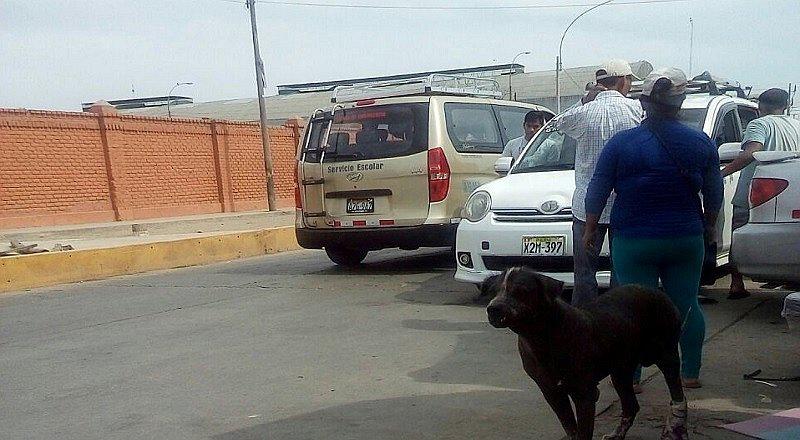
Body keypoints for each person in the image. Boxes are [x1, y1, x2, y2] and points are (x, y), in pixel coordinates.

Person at [584, 67, 724, 389]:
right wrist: (710, 227)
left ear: (644, 102)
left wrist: (591, 229)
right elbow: (714, 194)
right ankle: (689, 374)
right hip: (685, 237)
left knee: (633, 311)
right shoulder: (700, 142)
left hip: (633, 240)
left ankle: (631, 378)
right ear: (680, 102)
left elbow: (598, 189)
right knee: (686, 303)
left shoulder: (621, 144)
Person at [554, 59, 644, 305]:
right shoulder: (635, 110)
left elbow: (559, 123)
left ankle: (583, 320)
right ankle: (619, 318)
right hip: (623, 204)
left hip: (586, 207)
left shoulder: (583, 112)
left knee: (584, 273)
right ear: (623, 80)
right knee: (622, 270)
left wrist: (585, 99)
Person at [722, 88, 800, 299]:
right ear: (785, 106)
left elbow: (750, 153)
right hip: (789, 190)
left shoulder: (759, 124)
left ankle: (737, 284)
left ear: (759, 106)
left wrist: (722, 172)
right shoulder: (796, 126)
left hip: (755, 191)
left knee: (739, 234)